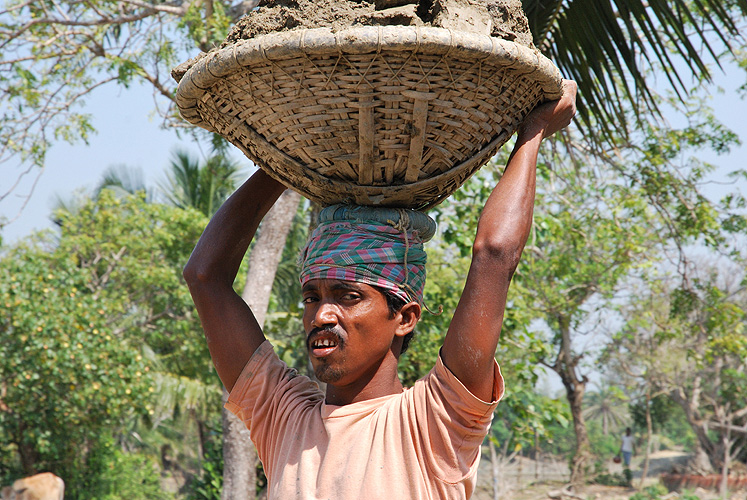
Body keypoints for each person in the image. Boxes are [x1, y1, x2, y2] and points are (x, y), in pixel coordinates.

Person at [183, 80, 577, 499]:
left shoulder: (434, 423)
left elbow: (494, 255)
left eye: (348, 296)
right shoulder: (285, 418)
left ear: (405, 318)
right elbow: (205, 277)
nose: (321, 315)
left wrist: (533, 131)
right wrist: (286, 160)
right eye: (312, 297)